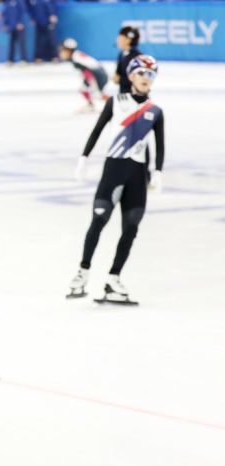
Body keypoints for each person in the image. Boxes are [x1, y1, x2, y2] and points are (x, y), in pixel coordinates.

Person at [68, 55, 164, 305]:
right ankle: (82, 272)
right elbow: (97, 129)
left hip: (137, 177)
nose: (146, 79)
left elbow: (158, 145)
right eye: (142, 73)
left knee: (131, 228)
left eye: (151, 75)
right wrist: (84, 157)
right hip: (113, 170)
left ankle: (114, 278)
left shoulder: (155, 111)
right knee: (99, 219)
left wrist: (157, 171)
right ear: (131, 76)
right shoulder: (116, 102)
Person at [58, 38, 109, 112]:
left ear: (68, 50)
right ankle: (90, 105)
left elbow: (88, 72)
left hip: (98, 75)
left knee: (97, 95)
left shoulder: (76, 58)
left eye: (62, 50)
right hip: (97, 74)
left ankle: (115, 103)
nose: (61, 53)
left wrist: (94, 86)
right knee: (83, 89)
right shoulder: (76, 55)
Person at [114, 26, 142, 94]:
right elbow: (118, 73)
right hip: (123, 96)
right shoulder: (121, 54)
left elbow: (139, 80)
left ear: (128, 39)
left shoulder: (138, 58)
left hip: (135, 98)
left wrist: (119, 79)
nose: (117, 39)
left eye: (120, 37)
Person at [3, 0, 28, 66]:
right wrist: (6, 24)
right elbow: (6, 14)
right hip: (11, 26)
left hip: (19, 26)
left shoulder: (20, 1)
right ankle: (10, 60)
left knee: (22, 43)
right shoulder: (7, 2)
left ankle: (23, 60)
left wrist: (20, 22)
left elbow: (22, 12)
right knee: (11, 43)